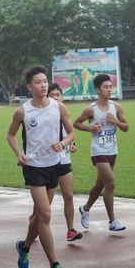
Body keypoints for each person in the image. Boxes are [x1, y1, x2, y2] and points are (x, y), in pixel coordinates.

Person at [6, 65, 74, 268]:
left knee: (39, 216)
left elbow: (72, 134)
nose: (43, 85)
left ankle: (24, 247)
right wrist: (19, 153)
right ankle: (54, 265)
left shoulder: (58, 107)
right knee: (45, 214)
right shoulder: (23, 111)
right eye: (38, 82)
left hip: (55, 164)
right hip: (34, 167)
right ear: (29, 86)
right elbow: (10, 135)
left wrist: (62, 143)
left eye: (45, 81)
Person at [73, 73, 129, 231]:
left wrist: (116, 121)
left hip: (112, 150)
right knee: (110, 184)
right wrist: (90, 128)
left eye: (110, 86)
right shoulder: (91, 109)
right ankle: (112, 221)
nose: (109, 89)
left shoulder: (116, 107)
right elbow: (76, 123)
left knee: (100, 184)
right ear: (98, 90)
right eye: (106, 87)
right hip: (98, 151)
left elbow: (126, 128)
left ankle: (85, 209)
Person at [28, 83, 82, 241]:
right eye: (52, 95)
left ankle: (70, 229)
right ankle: (35, 218)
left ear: (62, 97)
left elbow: (70, 134)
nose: (56, 98)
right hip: (45, 163)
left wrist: (69, 144)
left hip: (63, 160)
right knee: (43, 200)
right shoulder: (42, 115)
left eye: (58, 95)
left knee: (69, 196)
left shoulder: (64, 113)